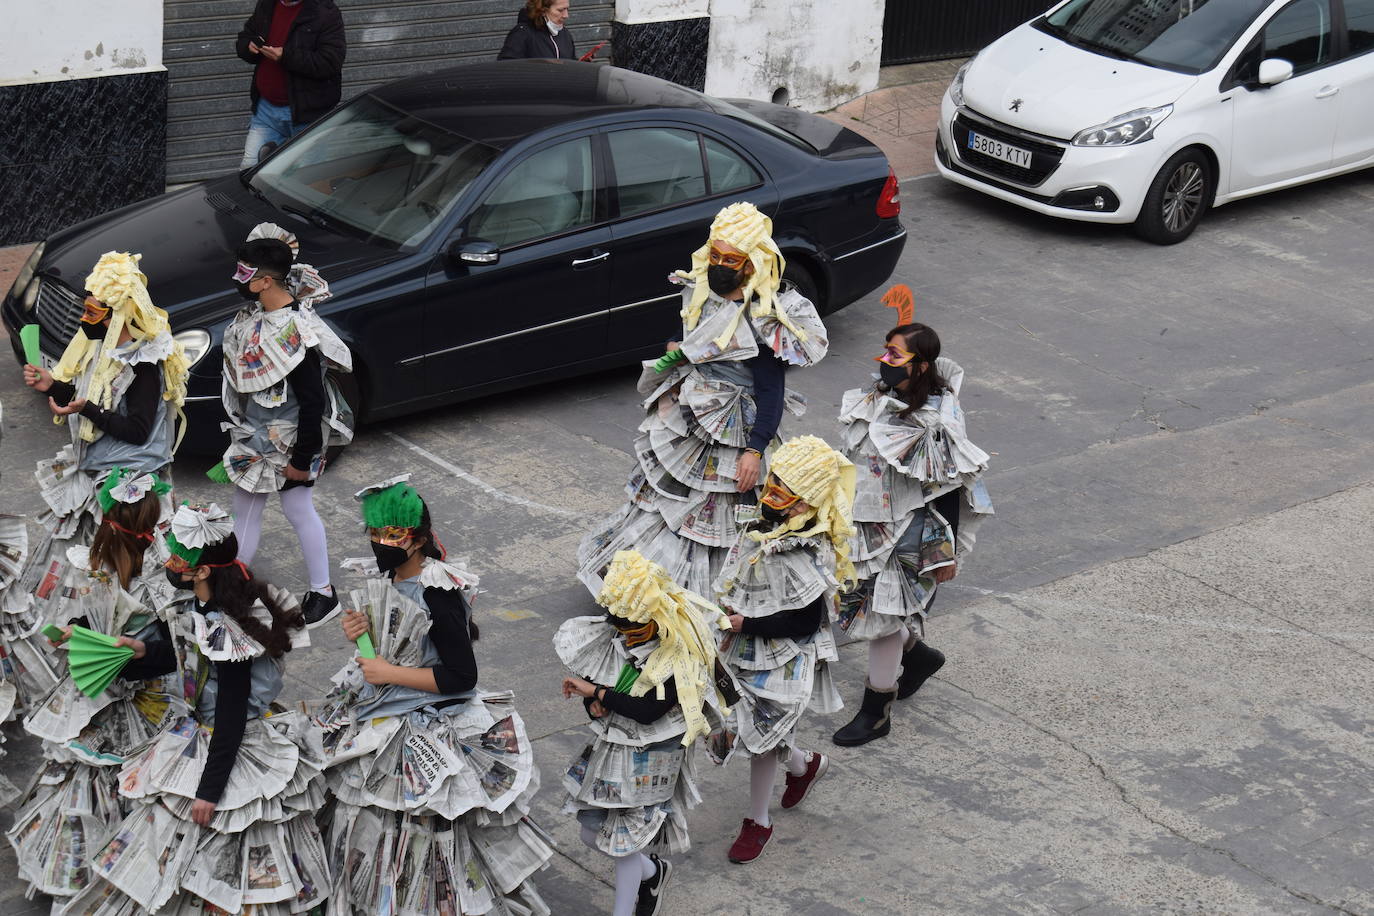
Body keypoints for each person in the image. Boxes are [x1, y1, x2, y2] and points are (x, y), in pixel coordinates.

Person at [64, 501, 328, 914]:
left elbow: (232, 711)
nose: (169, 564)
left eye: (177, 559)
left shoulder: (230, 626)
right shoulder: (199, 605)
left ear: (202, 571)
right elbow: (182, 655)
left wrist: (209, 791)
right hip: (198, 727)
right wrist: (139, 650)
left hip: (227, 740)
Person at [316, 476, 552, 914]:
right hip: (383, 710)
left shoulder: (438, 592)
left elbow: (461, 676)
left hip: (426, 720)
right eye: (374, 532)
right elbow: (389, 647)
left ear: (418, 538)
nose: (379, 542)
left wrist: (390, 672)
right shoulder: (386, 575)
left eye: (392, 534)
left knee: (425, 846)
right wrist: (361, 637)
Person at [578, 201, 829, 600]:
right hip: (690, 415)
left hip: (733, 431)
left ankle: (699, 598)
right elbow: (697, 338)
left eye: (731, 259)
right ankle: (645, 586)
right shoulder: (702, 291)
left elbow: (770, 389)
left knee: (719, 516)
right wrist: (681, 351)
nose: (720, 265)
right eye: (715, 255)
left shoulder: (761, 317)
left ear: (750, 265)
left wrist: (754, 449)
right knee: (665, 502)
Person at [16, 251, 187, 706]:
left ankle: (142, 657)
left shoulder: (147, 364)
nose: (86, 316)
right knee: (95, 570)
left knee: (135, 577)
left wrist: (83, 408)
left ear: (119, 314)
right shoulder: (104, 348)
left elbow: (135, 430)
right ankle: (93, 640)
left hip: (132, 491)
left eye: (95, 309)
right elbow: (88, 398)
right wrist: (53, 387)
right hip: (100, 479)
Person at [8, 468, 183, 902]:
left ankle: (91, 875)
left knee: (102, 779)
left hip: (123, 696)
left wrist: (115, 650)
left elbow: (176, 649)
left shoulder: (148, 576)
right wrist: (83, 636)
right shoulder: (125, 571)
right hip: (125, 696)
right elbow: (92, 617)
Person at [831, 307, 993, 746]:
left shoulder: (938, 422)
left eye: (893, 353)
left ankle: (876, 712)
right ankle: (919, 657)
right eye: (885, 349)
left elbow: (950, 489)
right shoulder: (879, 396)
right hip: (864, 524)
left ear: (919, 366)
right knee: (863, 606)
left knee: (882, 617)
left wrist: (945, 553)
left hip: (909, 532)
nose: (882, 358)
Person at [556, 549, 733, 916]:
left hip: (654, 755)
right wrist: (593, 703)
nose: (629, 639)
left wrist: (599, 694)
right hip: (613, 749)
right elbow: (597, 682)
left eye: (636, 631)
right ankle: (653, 873)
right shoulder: (620, 635)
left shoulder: (678, 653)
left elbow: (650, 711)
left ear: (656, 618)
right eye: (621, 630)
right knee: (592, 834)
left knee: (624, 845)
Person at [712, 434, 855, 864]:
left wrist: (744, 623)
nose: (769, 496)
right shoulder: (764, 525)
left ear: (804, 503)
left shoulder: (805, 550)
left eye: (781, 492)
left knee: (761, 740)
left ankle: (758, 821)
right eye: (770, 485)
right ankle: (804, 764)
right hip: (746, 640)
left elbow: (804, 621)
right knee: (752, 729)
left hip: (785, 652)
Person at [218, 224, 353, 627]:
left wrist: (303, 457)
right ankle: (231, 585)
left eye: (244, 273)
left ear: (263, 281)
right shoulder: (257, 318)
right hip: (256, 435)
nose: (237, 279)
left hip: (292, 440)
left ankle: (324, 593)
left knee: (297, 507)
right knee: (245, 509)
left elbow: (313, 403)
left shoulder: (299, 333)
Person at [235, 0, 346, 168]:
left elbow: (330, 62)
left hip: (308, 115)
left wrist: (285, 56)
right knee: (249, 171)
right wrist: (248, 47)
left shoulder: (325, 11)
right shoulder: (267, 4)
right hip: (266, 111)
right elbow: (246, 36)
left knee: (307, 177)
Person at [497, 0, 574, 60]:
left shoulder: (564, 34)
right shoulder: (522, 33)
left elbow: (571, 62)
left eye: (567, 9)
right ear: (543, 10)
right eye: (560, 10)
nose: (566, 15)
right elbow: (506, 67)